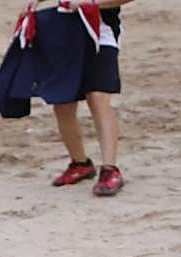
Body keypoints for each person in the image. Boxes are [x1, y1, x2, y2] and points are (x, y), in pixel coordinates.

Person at [48, 0, 136, 197]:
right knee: (63, 102)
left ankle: (110, 168)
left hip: (100, 34)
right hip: (66, 33)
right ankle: (80, 163)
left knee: (98, 96)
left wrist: (92, 4)